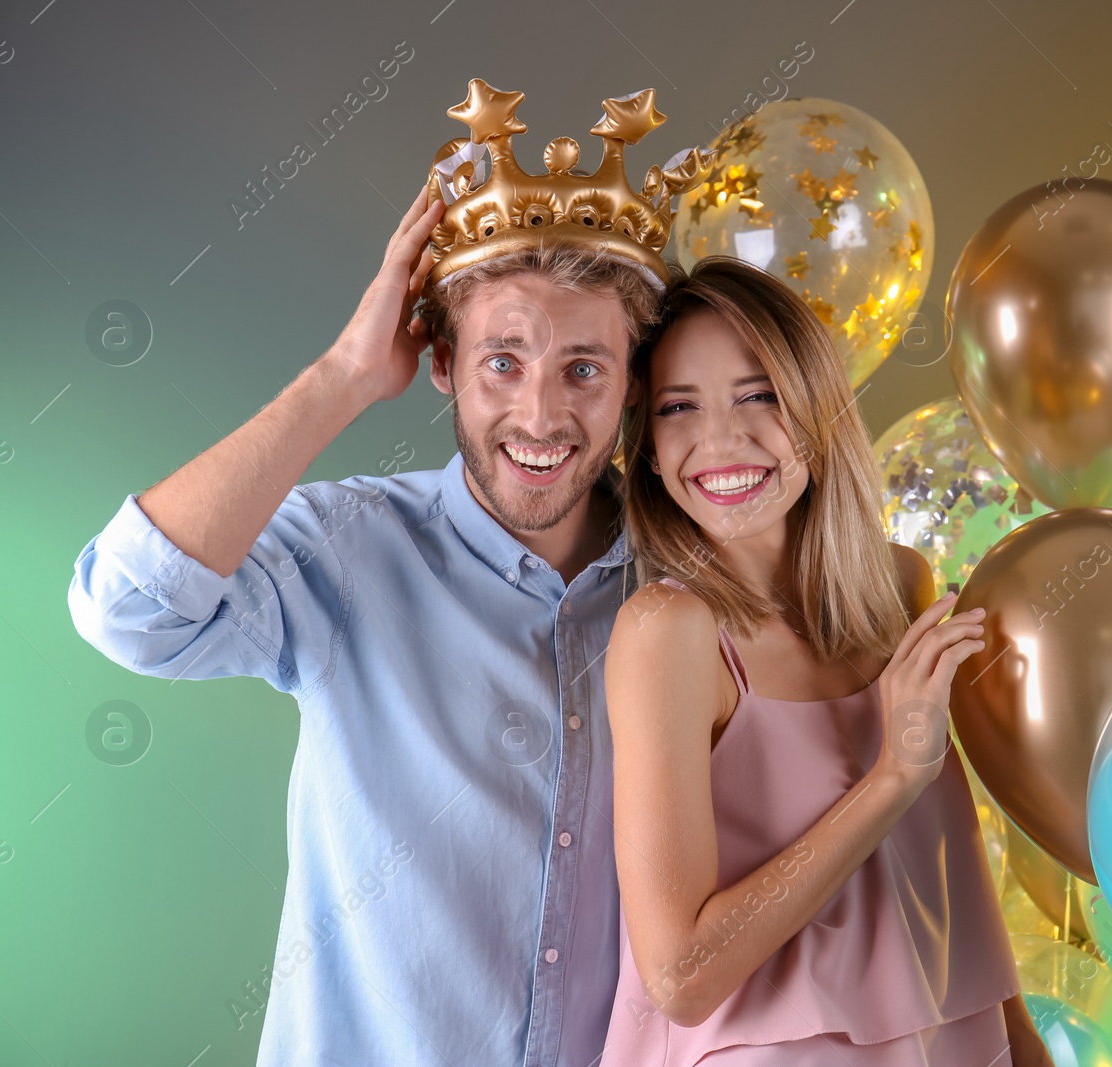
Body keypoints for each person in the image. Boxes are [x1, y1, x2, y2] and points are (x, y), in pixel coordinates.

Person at [65, 159, 676, 1059]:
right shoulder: (350, 541)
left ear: (631, 382)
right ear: (441, 363)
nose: (540, 415)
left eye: (582, 368)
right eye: (501, 362)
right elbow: (126, 611)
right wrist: (345, 373)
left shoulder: (684, 588)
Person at [599, 257, 1055, 1065]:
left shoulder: (900, 586)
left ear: (815, 406)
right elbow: (680, 976)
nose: (720, 441)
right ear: (649, 443)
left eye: (759, 395)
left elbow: (944, 858)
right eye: (678, 406)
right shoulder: (667, 631)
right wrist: (890, 777)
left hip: (952, 1037)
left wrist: (1020, 1039)